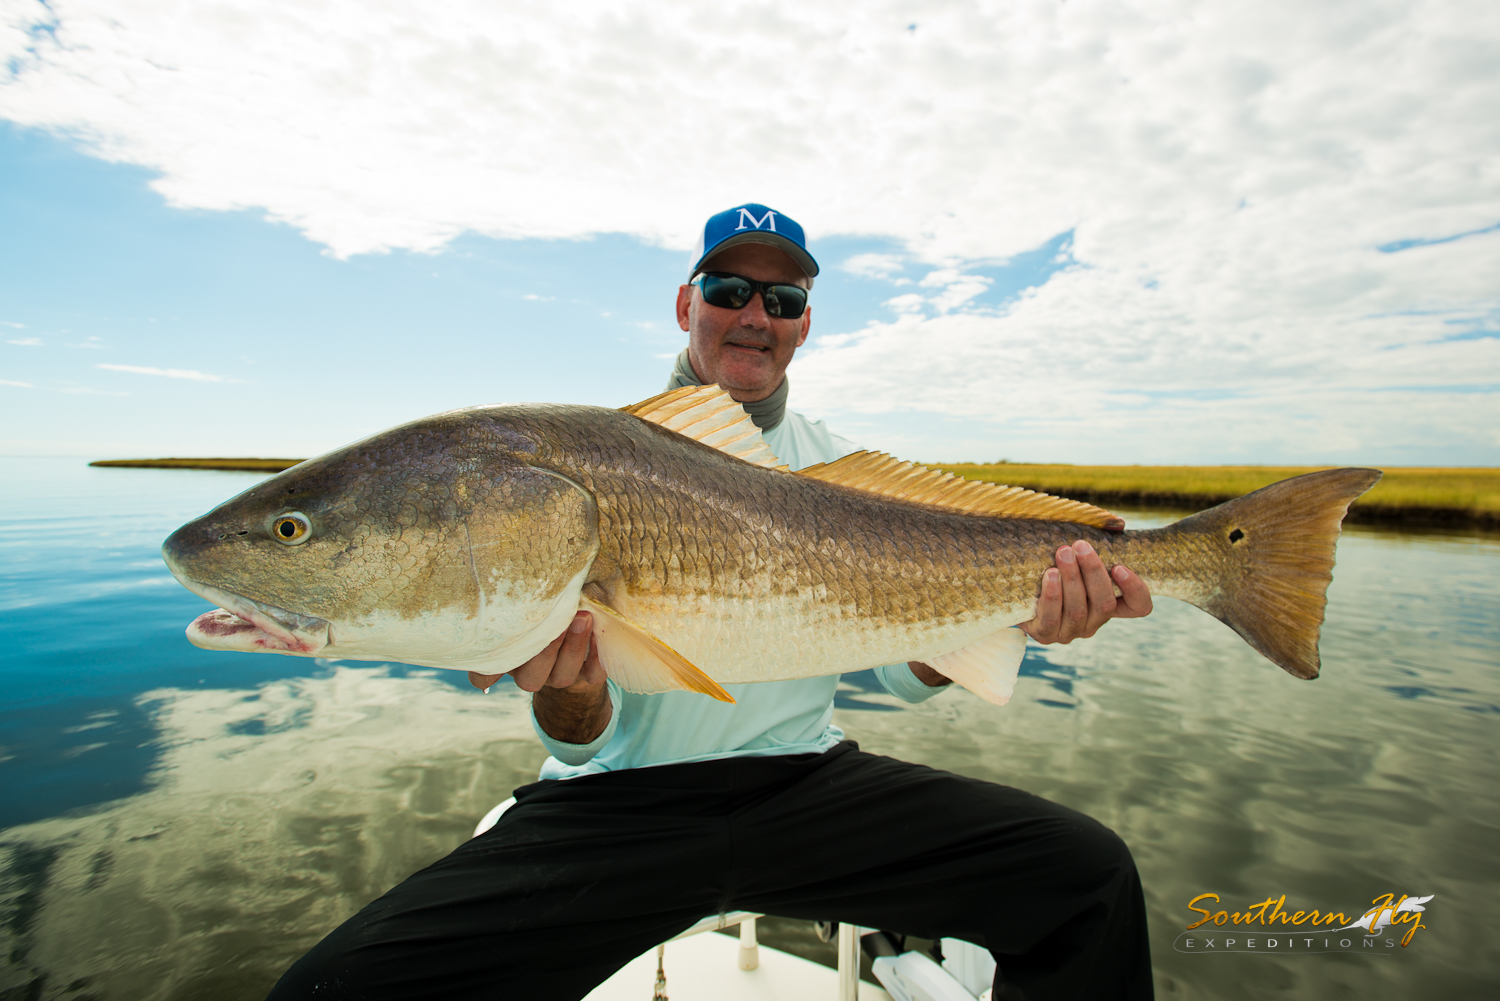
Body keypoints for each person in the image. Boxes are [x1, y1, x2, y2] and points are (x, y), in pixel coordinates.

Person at [268, 204, 1157, 1000]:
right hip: (622, 809)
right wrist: (567, 690)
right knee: (331, 990)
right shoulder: (601, 453)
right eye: (731, 288)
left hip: (807, 784)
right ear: (686, 303)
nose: (755, 315)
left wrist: (1015, 610)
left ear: (806, 325)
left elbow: (905, 668)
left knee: (1090, 880)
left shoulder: (848, 469)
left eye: (783, 300)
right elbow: (577, 734)